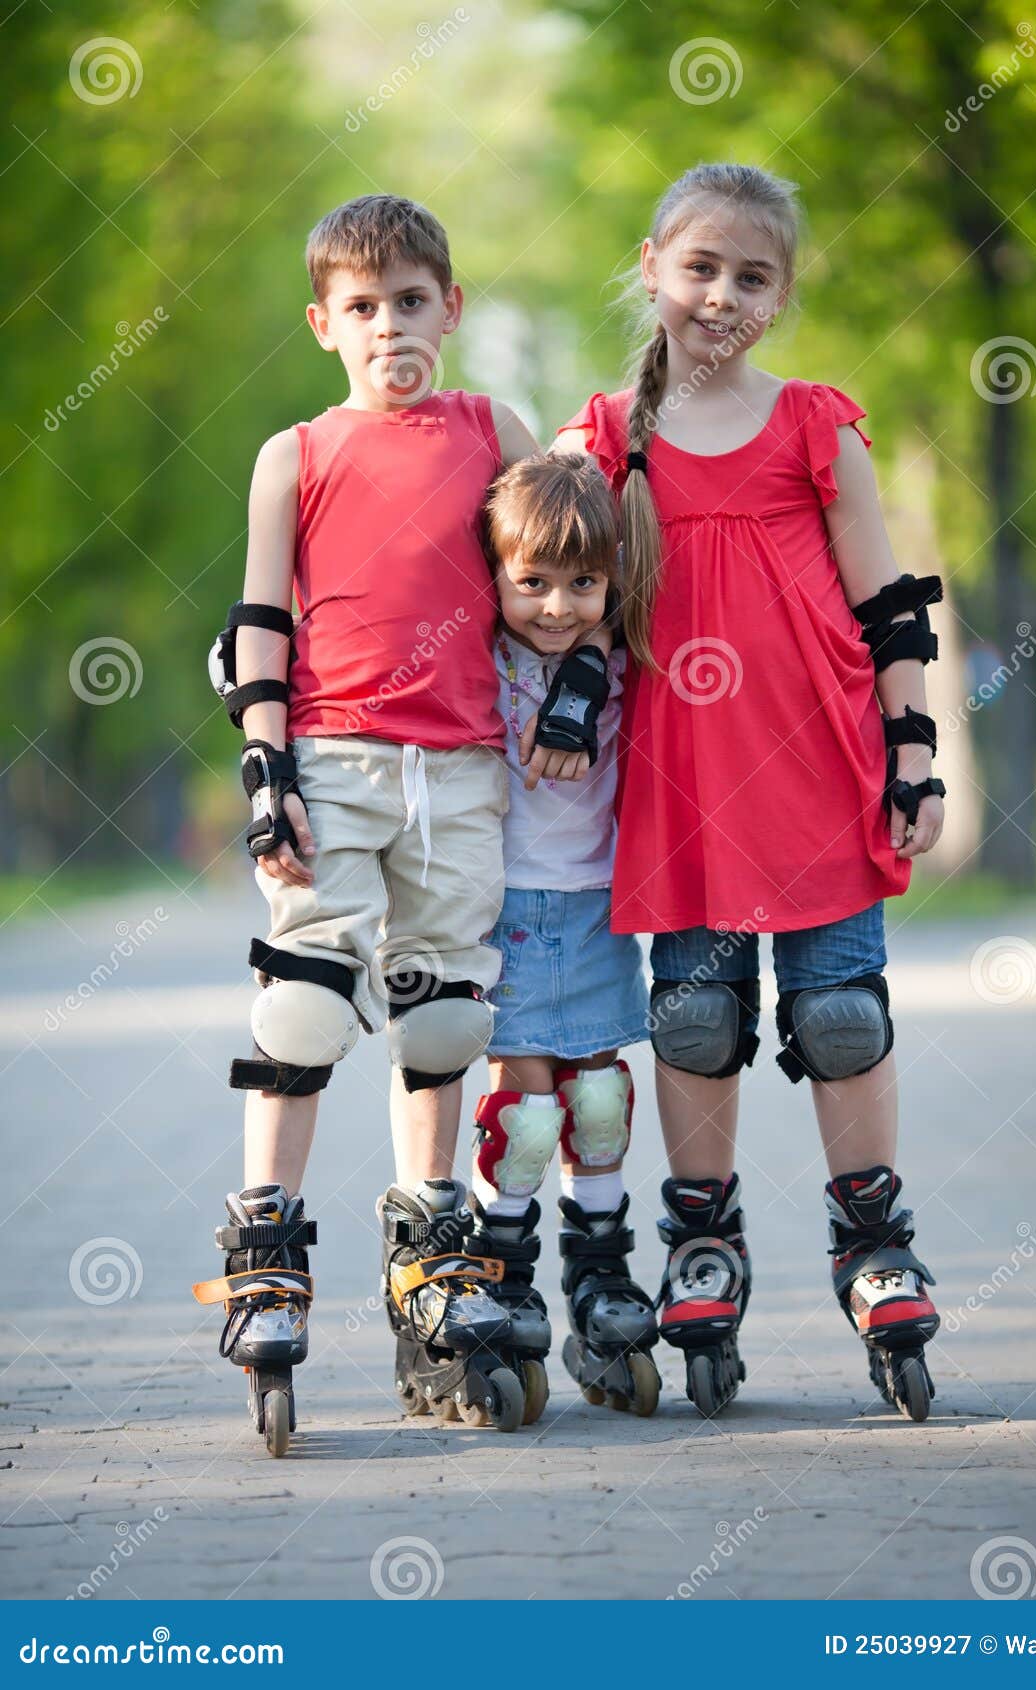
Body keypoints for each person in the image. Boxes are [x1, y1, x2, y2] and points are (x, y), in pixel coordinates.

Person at [192, 194, 604, 1449]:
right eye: (362, 310)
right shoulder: (296, 453)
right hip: (336, 757)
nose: (390, 330)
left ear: (452, 308)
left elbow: (569, 565)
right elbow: (261, 619)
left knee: (444, 1011)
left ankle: (431, 1250)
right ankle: (266, 1241)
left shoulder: (497, 429)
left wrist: (582, 682)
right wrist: (266, 772)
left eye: (412, 302)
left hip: (467, 768)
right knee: (307, 999)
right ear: (324, 323)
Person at [554, 162, 947, 1422]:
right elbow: (537, 599)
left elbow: (889, 608)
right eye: (701, 266)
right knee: (695, 1017)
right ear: (653, 263)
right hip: (685, 782)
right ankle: (701, 1238)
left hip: (823, 766)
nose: (721, 294)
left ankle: (871, 1238)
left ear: (782, 295)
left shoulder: (812, 425)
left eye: (752, 275)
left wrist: (915, 754)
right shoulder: (604, 436)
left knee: (840, 1013)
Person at [465, 452, 660, 1423]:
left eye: (582, 583)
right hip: (503, 909)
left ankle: (601, 1278)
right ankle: (502, 1279)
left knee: (597, 1102)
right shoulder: (477, 651)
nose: (555, 607)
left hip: (591, 904)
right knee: (527, 1113)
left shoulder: (619, 652)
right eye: (531, 582)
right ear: (495, 574)